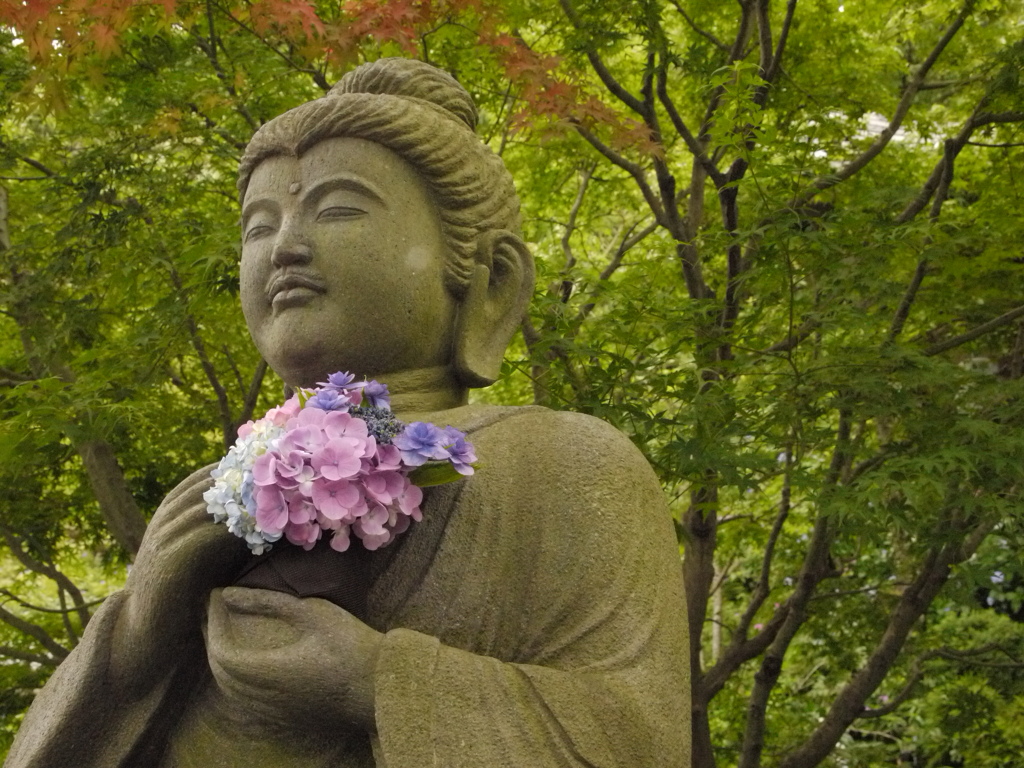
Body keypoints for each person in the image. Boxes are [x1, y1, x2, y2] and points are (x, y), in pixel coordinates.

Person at [5, 58, 690, 768]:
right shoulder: (219, 492)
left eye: (338, 209)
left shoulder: (564, 462)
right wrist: (133, 640)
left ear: (489, 281)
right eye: (258, 225)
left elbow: (640, 738)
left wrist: (376, 681)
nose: (287, 247)